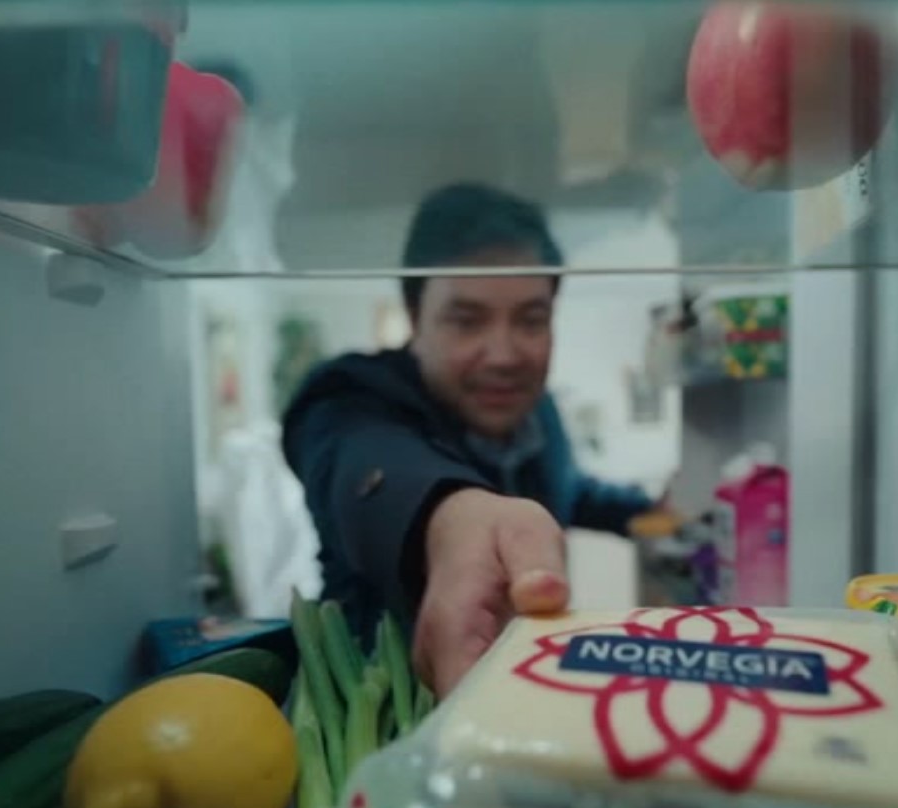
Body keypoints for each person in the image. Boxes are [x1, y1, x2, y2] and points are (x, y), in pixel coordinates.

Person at [282, 183, 658, 697]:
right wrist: (449, 519)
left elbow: (570, 489)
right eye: (467, 321)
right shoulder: (351, 398)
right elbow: (366, 463)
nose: (503, 354)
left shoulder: (537, 410)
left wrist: (649, 510)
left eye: (531, 320)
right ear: (416, 320)